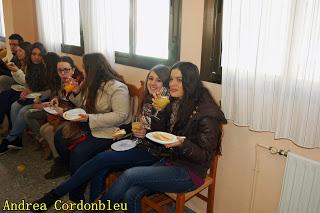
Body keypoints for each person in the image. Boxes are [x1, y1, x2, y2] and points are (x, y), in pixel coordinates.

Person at [31, 65, 170, 211]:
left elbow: (165, 134)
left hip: (152, 152)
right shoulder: (148, 98)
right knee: (100, 168)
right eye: (151, 78)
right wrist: (123, 130)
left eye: (159, 80)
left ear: (165, 83)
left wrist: (147, 130)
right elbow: (137, 123)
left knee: (101, 159)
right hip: (135, 143)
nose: (153, 83)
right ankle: (94, 207)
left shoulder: (166, 103)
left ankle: (53, 195)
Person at [101, 62, 227, 212]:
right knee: (131, 193)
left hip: (191, 173)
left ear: (190, 82)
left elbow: (204, 155)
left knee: (129, 175)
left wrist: (181, 144)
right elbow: (161, 133)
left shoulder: (207, 114)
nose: (172, 84)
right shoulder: (179, 101)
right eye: (171, 79)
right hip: (171, 161)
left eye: (179, 80)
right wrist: (159, 110)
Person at [52, 53, 131, 202]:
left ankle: (76, 194)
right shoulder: (92, 83)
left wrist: (90, 118)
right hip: (93, 124)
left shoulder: (117, 87)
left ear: (92, 69)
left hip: (113, 131)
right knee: (59, 137)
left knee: (79, 152)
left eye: (85, 68)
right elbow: (83, 105)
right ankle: (79, 175)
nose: (83, 71)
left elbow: (120, 116)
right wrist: (75, 93)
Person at [24, 56, 84, 162]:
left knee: (46, 130)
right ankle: (44, 143)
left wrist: (76, 92)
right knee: (29, 113)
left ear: (73, 70)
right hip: (57, 109)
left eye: (66, 70)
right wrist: (54, 99)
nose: (63, 73)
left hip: (70, 113)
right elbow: (55, 94)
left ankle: (58, 160)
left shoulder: (78, 82)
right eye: (60, 70)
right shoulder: (59, 80)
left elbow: (81, 106)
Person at [0, 42, 48, 155]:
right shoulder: (30, 67)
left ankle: (11, 138)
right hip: (32, 96)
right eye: (34, 54)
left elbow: (49, 91)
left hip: (44, 99)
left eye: (39, 55)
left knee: (22, 110)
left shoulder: (46, 68)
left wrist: (34, 93)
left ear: (43, 56)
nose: (36, 57)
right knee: (14, 105)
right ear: (30, 55)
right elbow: (28, 83)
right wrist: (26, 90)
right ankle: (17, 139)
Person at [0, 42, 32, 130]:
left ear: (27, 52)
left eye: (20, 51)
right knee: (4, 95)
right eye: (17, 51)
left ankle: (12, 128)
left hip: (29, 92)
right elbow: (20, 81)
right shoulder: (21, 61)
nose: (17, 53)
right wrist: (14, 71)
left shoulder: (31, 65)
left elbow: (27, 82)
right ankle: (5, 123)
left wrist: (17, 71)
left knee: (10, 101)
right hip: (21, 88)